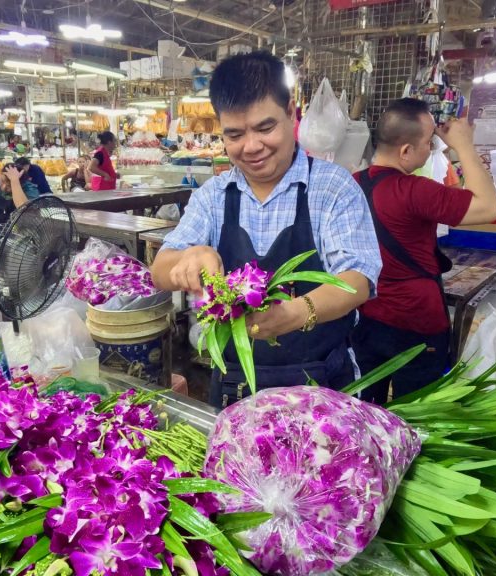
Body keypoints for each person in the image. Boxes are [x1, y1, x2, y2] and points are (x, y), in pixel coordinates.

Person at [151, 51, 382, 407]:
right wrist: (191, 255)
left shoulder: (333, 187)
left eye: (265, 127)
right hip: (235, 388)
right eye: (234, 135)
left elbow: (358, 279)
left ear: (291, 113)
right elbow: (160, 268)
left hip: (320, 388)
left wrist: (296, 313)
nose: (251, 146)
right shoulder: (214, 196)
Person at [352, 98, 496, 403]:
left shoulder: (352, 183)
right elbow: (488, 207)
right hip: (415, 323)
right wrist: (464, 145)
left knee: (364, 411)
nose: (433, 148)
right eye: (430, 142)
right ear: (406, 150)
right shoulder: (415, 190)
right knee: (415, 414)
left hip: (364, 316)